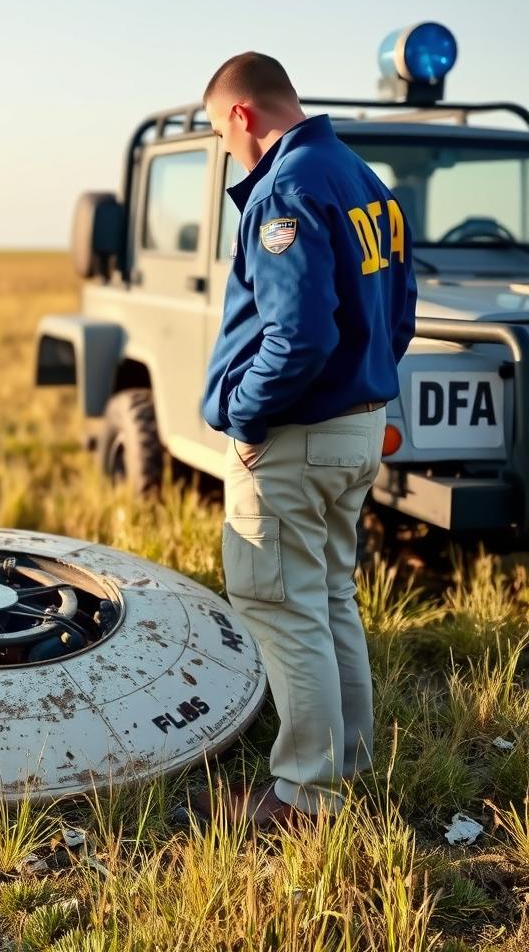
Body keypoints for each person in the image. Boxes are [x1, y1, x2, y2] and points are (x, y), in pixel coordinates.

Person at [198, 54, 417, 828]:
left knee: (281, 604)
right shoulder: (363, 178)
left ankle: (306, 798)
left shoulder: (287, 189)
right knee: (326, 597)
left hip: (295, 433)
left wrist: (248, 415)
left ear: (243, 117)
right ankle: (344, 765)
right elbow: (399, 314)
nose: (229, 152)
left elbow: (298, 336)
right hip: (355, 423)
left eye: (223, 136)